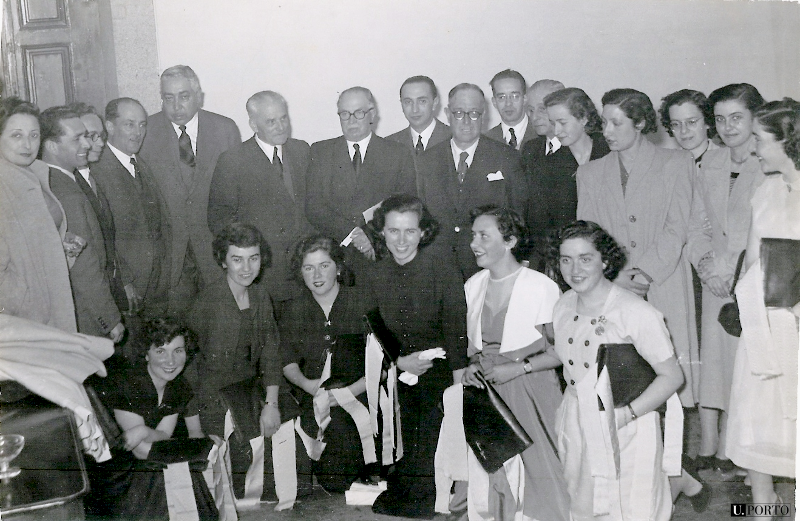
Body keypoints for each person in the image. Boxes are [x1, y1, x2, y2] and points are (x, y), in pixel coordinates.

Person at [549, 220, 686, 520]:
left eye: (586, 259)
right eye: (566, 260)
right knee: (583, 503)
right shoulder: (563, 305)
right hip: (576, 418)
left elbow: (673, 376)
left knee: (629, 506)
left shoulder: (636, 312)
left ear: (605, 261)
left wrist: (627, 415)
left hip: (627, 423)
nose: (575, 270)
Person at [576, 88, 699, 408]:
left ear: (641, 122)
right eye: (604, 123)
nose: (606, 132)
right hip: (612, 287)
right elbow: (588, 237)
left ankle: (679, 452)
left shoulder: (677, 162)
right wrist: (613, 278)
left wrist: (645, 272)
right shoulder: (589, 173)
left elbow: (678, 226)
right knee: (623, 379)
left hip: (664, 281)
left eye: (616, 124)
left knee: (671, 374)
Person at [461, 206, 570, 521]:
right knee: (496, 473)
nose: (474, 243)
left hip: (532, 390)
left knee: (542, 470)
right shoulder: (473, 285)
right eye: (473, 235)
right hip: (490, 393)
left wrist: (519, 368)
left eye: (484, 236)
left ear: (509, 241)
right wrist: (472, 366)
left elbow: (562, 353)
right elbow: (472, 348)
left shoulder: (541, 287)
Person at [365, 194, 468, 518]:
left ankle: (429, 495)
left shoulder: (443, 269)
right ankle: (406, 486)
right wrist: (398, 361)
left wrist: (456, 381)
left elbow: (455, 326)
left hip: (439, 363)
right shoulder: (376, 272)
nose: (401, 240)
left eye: (409, 231)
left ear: (423, 232)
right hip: (400, 364)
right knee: (400, 421)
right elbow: (375, 323)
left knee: (431, 417)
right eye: (393, 231)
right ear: (382, 232)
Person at [684, 84, 766, 473]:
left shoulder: (768, 163)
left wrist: (731, 271)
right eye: (720, 118)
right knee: (715, 364)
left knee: (746, 368)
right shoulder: (710, 164)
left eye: (737, 117)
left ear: (754, 118)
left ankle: (745, 454)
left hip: (752, 280)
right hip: (713, 279)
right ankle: (716, 447)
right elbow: (697, 225)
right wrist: (705, 265)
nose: (727, 126)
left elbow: (766, 231)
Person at [726, 98, 800, 506]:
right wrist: (748, 313)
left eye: (759, 138)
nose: (753, 148)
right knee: (755, 419)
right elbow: (752, 260)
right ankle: (762, 509)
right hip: (764, 325)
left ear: (787, 140)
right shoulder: (765, 190)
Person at [187, 223, 283, 499]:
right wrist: (196, 428)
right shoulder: (208, 301)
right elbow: (190, 368)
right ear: (222, 261)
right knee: (233, 483)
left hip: (250, 392)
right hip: (214, 399)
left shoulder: (260, 295)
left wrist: (271, 404)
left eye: (254, 258)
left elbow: (271, 351)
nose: (246, 268)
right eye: (237, 259)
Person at [139, 65, 241, 319]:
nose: (176, 106)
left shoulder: (225, 129)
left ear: (198, 96)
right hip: (171, 257)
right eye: (168, 98)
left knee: (222, 322)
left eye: (184, 96)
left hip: (215, 251)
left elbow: (239, 193)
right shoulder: (145, 132)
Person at [88, 318, 216, 520]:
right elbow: (140, 451)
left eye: (178, 351)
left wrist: (145, 431)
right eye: (160, 351)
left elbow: (162, 436)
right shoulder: (128, 381)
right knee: (176, 474)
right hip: (116, 475)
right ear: (146, 354)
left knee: (186, 476)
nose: (171, 361)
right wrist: (187, 452)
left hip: (148, 465)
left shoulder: (178, 386)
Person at [279, 235, 371, 493]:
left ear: (338, 267)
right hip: (313, 398)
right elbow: (286, 360)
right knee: (332, 479)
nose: (316, 274)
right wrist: (308, 385)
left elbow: (381, 361)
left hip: (360, 396)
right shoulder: (294, 310)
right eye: (309, 267)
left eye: (324, 265)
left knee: (346, 472)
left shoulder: (362, 301)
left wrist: (348, 393)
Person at [209, 90, 314, 310]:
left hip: (304, 272)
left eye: (283, 118)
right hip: (263, 277)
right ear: (254, 125)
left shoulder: (302, 150)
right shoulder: (233, 160)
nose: (281, 126)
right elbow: (219, 220)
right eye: (271, 121)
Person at [418, 83, 527, 280]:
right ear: (447, 114)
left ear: (484, 115)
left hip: (489, 270)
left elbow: (518, 214)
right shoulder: (426, 160)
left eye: (474, 113)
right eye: (459, 113)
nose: (466, 121)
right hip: (437, 270)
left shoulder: (508, 158)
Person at [306, 86, 416, 272]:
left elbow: (404, 205)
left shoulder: (398, 153)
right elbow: (314, 206)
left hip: (380, 253)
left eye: (359, 113)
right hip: (334, 256)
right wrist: (353, 234)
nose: (351, 121)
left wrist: (370, 236)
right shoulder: (320, 151)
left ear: (372, 114)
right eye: (345, 114)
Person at [42, 105, 125, 342]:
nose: (87, 145)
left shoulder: (56, 181)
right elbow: (85, 267)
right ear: (52, 146)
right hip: (84, 317)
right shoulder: (66, 192)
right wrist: (109, 319)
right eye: (77, 139)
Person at [0, 97, 76, 333]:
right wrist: (21, 301)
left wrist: (62, 249)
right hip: (25, 319)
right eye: (17, 135)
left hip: (50, 303)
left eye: (34, 135)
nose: (27, 144)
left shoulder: (35, 173)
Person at [93, 97, 171, 321]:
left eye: (142, 124)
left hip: (156, 285)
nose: (138, 132)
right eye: (129, 124)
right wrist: (124, 281)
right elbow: (103, 236)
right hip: (128, 288)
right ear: (109, 126)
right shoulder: (98, 170)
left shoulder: (139, 163)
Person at [524, 87, 610, 273]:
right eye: (553, 123)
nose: (557, 131)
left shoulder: (610, 153)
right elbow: (543, 225)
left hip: (612, 257)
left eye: (562, 122)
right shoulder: (549, 166)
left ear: (584, 118)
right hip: (572, 264)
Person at [70, 102, 127, 313]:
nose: (101, 143)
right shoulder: (68, 185)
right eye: (92, 136)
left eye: (101, 136)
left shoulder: (94, 178)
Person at [386, 75, 451, 194]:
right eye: (408, 102)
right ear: (401, 105)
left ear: (435, 102)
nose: (415, 109)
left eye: (422, 101)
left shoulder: (454, 138)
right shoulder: (389, 145)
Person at [659, 89, 719, 163]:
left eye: (691, 122)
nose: (683, 130)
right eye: (675, 124)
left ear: (707, 122)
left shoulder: (727, 161)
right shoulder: (665, 164)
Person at [484, 69, 536, 150]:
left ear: (525, 98)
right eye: (502, 97)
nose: (508, 103)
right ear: (494, 102)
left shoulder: (541, 133)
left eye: (515, 96)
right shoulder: (486, 141)